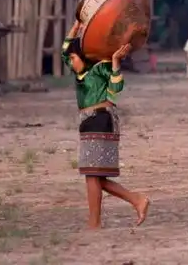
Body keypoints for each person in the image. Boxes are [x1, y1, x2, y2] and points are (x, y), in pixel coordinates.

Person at [63, 20, 150, 229]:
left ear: (83, 56)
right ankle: (137, 200)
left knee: (92, 174)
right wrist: (77, 25)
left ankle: (95, 223)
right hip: (87, 121)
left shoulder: (100, 68)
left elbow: (116, 88)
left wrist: (115, 62)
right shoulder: (80, 75)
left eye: (74, 58)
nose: (71, 61)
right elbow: (65, 49)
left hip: (101, 119)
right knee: (95, 176)